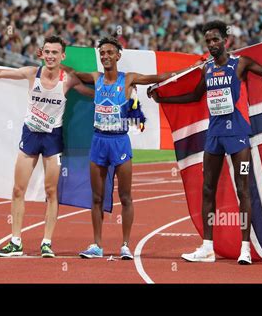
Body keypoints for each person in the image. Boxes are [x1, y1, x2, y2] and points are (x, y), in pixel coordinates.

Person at [148, 21, 262, 265]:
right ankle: (207, 248)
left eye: (215, 39)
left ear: (226, 40)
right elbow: (194, 96)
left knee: (243, 189)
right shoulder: (207, 68)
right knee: (207, 189)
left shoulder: (240, 63)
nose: (212, 44)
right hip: (214, 136)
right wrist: (163, 99)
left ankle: (245, 248)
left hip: (238, 136)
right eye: (208, 41)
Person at [0, 35, 94, 258]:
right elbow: (0, 73)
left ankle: (47, 243)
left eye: (54, 53)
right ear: (42, 53)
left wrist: (119, 92)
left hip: (53, 140)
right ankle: (15, 242)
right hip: (30, 136)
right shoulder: (32, 73)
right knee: (18, 190)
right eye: (47, 52)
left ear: (62, 56)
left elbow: (92, 93)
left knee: (51, 192)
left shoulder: (68, 79)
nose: (50, 56)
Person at [62, 36, 198, 259]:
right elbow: (72, 74)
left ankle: (125, 245)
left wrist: (187, 70)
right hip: (98, 141)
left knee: (125, 196)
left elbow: (158, 77)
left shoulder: (128, 79)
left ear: (118, 56)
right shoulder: (95, 77)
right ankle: (97, 245)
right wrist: (54, 60)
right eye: (102, 53)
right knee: (96, 197)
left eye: (109, 53)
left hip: (120, 142)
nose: (105, 56)